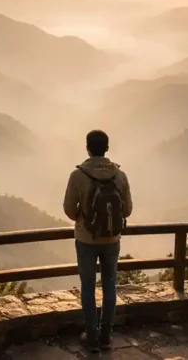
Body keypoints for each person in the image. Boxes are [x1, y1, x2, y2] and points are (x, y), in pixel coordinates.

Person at [63, 130, 133, 352]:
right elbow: (128, 210)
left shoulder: (78, 176)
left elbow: (68, 209)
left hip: (85, 239)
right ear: (107, 148)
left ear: (87, 148)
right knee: (110, 286)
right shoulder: (120, 176)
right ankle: (106, 337)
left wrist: (84, 219)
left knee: (88, 287)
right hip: (112, 239)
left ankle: (91, 338)